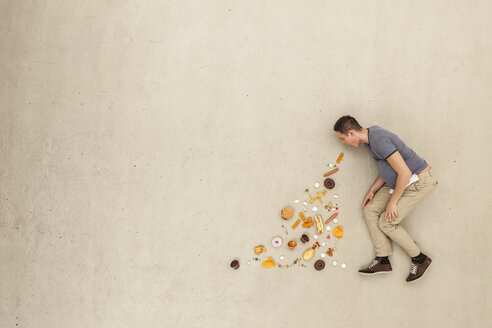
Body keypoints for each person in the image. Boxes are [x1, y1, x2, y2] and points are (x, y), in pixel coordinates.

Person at [333, 115, 438, 283]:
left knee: (386, 222)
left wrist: (393, 202)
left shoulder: (379, 140)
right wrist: (373, 190)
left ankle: (420, 258)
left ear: (351, 132)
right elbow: (387, 167)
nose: (343, 142)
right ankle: (383, 259)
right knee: (370, 209)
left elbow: (405, 173)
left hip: (418, 182)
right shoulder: (369, 140)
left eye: (342, 138)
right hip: (400, 182)